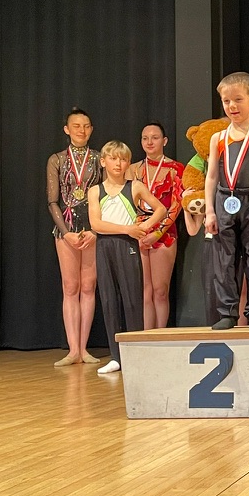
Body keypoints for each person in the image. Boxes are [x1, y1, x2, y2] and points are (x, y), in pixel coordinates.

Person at [204, 72, 249, 330]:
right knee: (224, 260)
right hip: (224, 200)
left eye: (238, 99)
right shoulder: (218, 138)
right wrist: (210, 211)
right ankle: (227, 312)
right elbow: (211, 176)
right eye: (226, 101)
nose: (232, 106)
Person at [87, 141, 167, 375]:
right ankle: (116, 356)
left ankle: (137, 354)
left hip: (128, 246)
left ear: (128, 163)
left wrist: (144, 227)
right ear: (103, 162)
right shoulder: (95, 191)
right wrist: (128, 229)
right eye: (113, 159)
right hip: (105, 246)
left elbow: (161, 209)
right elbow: (96, 224)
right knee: (109, 300)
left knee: (132, 300)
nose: (118, 164)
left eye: (123, 160)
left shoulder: (135, 187)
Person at [47, 108, 102, 367]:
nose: (82, 130)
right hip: (66, 228)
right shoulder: (57, 159)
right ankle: (72, 350)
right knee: (70, 287)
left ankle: (84, 348)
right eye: (76, 126)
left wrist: (95, 230)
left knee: (89, 286)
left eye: (86, 126)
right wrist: (67, 233)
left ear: (91, 129)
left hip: (92, 228)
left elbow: (107, 195)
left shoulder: (99, 158)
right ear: (67, 129)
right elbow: (52, 201)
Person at [131, 122, 184, 329]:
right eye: (145, 138)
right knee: (145, 291)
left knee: (160, 290)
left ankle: (161, 336)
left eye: (154, 137)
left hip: (165, 234)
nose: (149, 142)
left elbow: (177, 205)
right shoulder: (132, 169)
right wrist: (136, 230)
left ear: (165, 141)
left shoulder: (176, 169)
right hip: (137, 233)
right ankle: (146, 336)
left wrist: (158, 232)